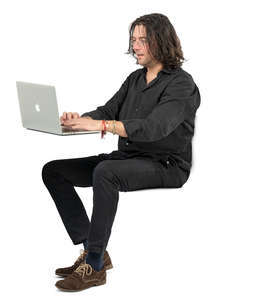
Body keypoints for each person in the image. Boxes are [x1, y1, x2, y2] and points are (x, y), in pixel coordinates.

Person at [42, 12, 201, 292]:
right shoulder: (134, 79)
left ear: (161, 42)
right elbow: (108, 111)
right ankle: (92, 250)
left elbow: (153, 128)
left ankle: (95, 266)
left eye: (143, 40)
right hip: (128, 158)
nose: (135, 46)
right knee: (54, 171)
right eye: (133, 40)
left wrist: (103, 124)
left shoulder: (182, 84)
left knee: (106, 172)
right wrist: (78, 120)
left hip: (167, 165)